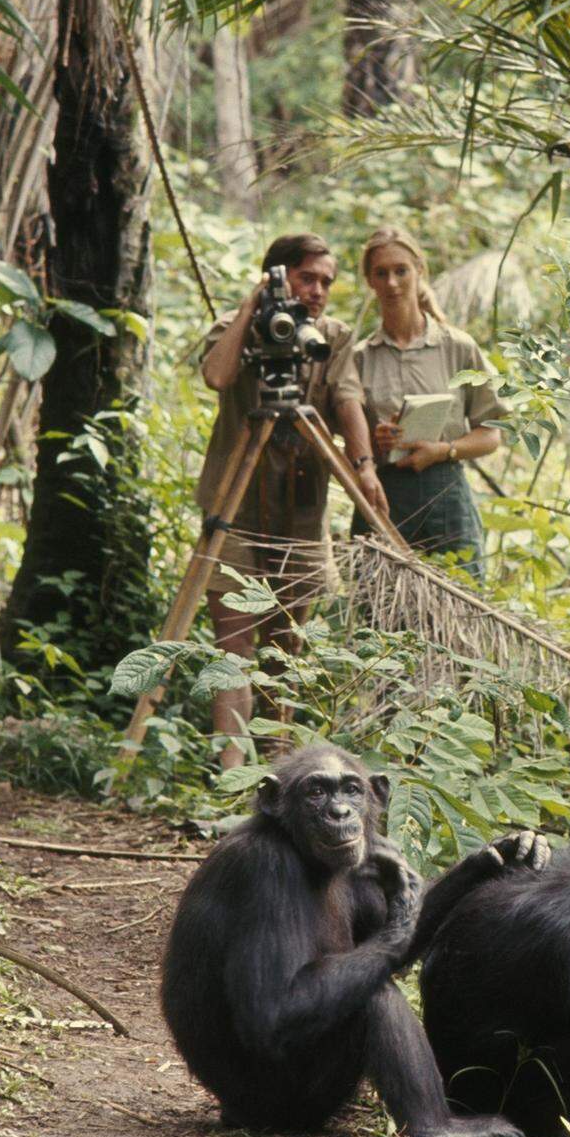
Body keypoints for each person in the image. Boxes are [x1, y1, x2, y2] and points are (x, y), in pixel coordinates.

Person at [197, 234, 388, 768]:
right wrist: (250, 307)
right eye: (307, 278)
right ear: (277, 277)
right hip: (233, 510)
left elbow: (347, 397)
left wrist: (363, 463)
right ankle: (232, 775)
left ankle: (278, 764)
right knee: (234, 649)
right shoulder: (236, 331)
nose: (318, 291)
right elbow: (216, 375)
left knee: (286, 648)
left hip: (302, 513)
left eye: (327, 281)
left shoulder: (332, 337)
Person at [352, 227, 505, 579]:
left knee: (459, 599)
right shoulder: (360, 358)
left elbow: (492, 434)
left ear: (420, 270)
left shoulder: (457, 347)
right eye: (381, 273)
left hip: (446, 490)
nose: (392, 283)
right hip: (384, 493)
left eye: (401, 270)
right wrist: (376, 441)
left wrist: (444, 450)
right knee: (379, 607)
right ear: (369, 281)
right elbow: (347, 438)